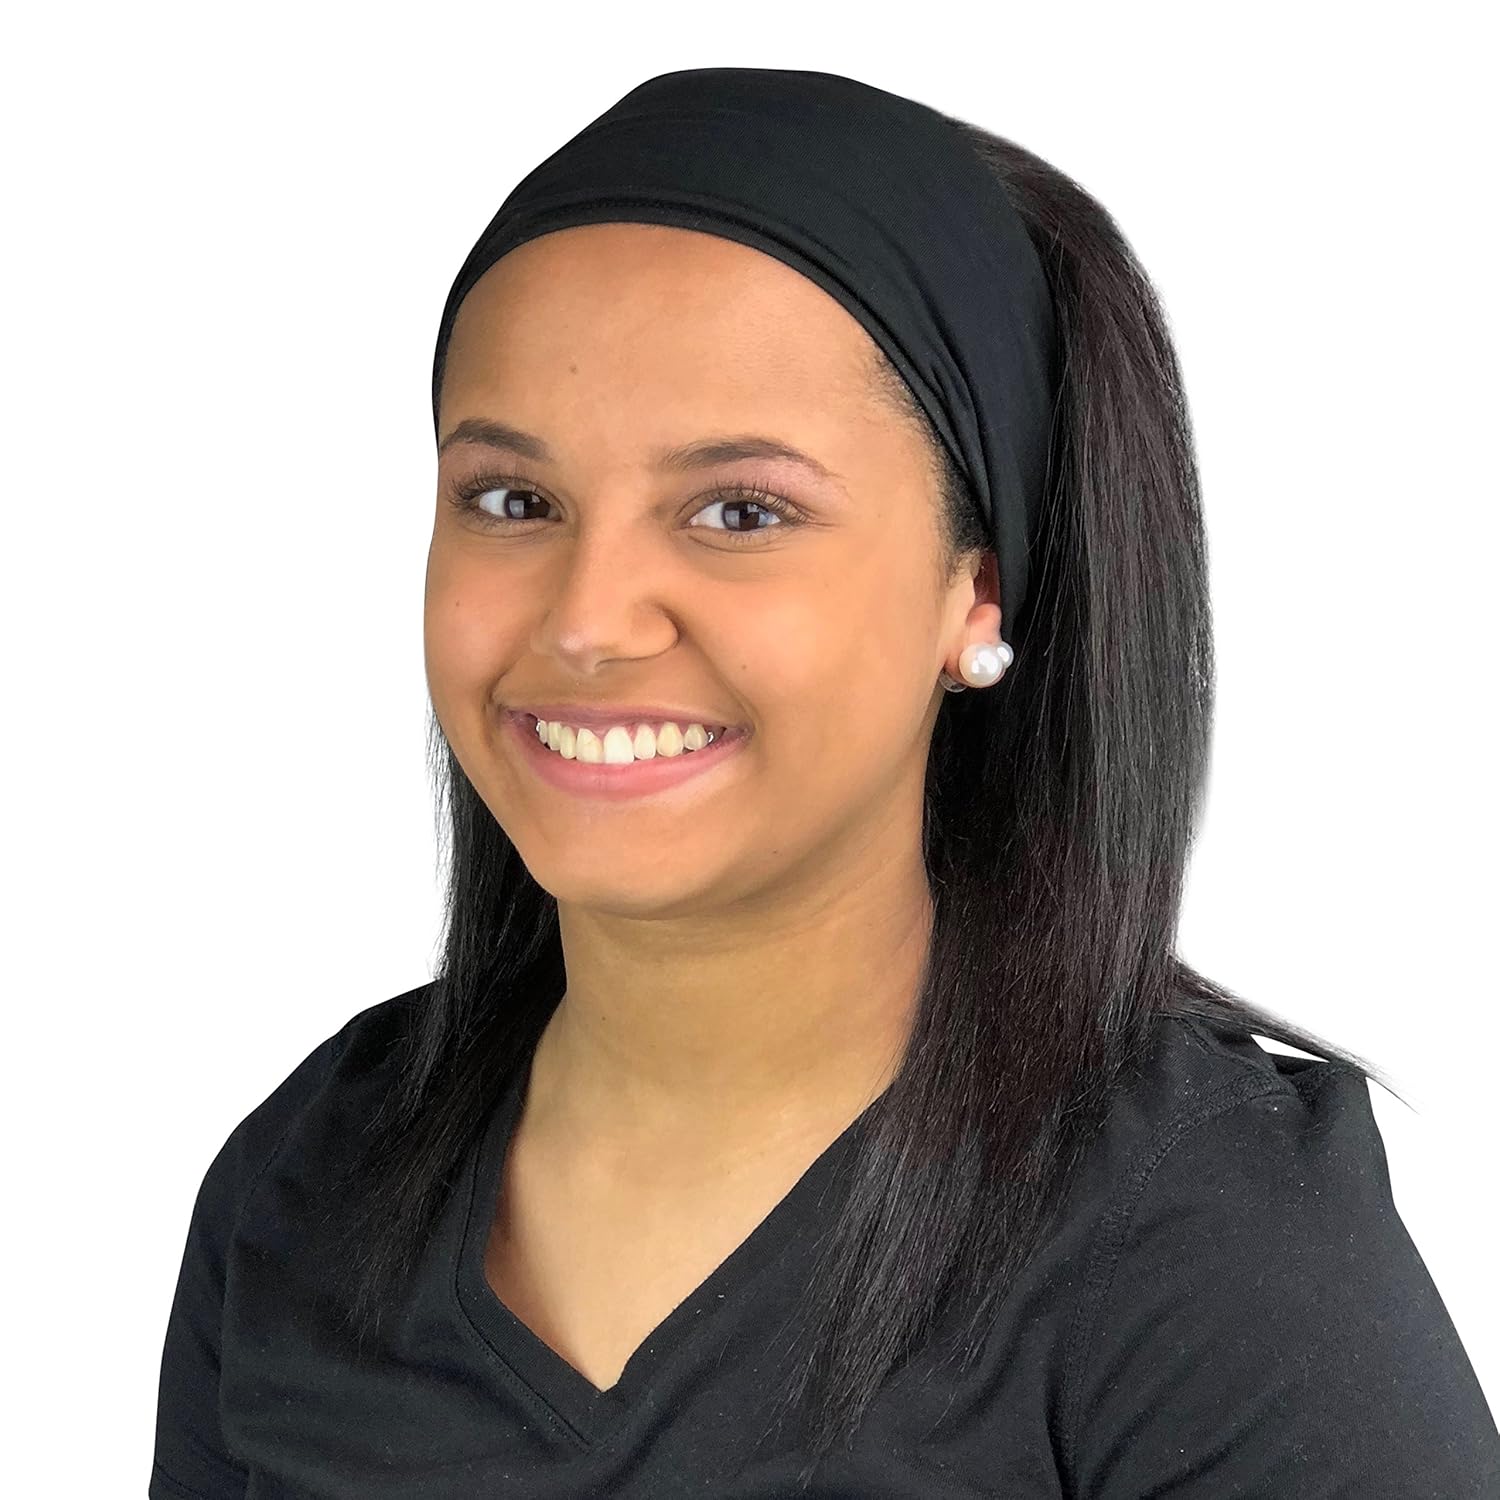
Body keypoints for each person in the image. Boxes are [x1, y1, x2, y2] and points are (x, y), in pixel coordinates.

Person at [150, 67, 1500, 1498]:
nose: (588, 621)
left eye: (741, 511)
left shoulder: (1209, 1242)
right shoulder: (306, 1184)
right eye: (513, 500)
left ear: (977, 591)